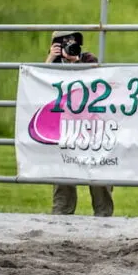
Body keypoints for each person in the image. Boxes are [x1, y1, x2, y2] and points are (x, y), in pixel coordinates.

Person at [45, 31, 114, 217]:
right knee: (63, 174)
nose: (70, 46)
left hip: (92, 127)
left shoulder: (88, 58)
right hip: (64, 129)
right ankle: (61, 215)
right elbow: (41, 85)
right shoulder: (52, 64)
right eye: (65, 43)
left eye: (73, 42)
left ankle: (104, 216)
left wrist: (75, 62)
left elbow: (97, 78)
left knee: (99, 173)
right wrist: (51, 58)